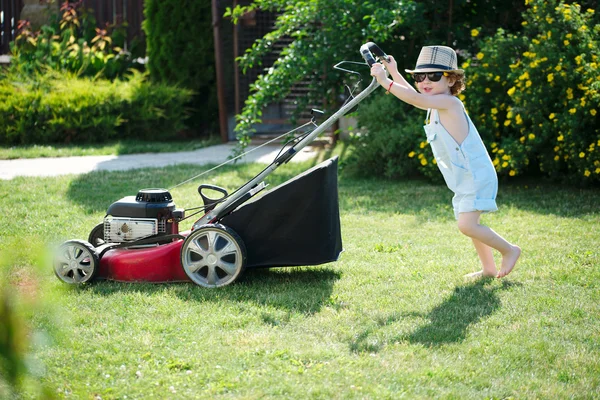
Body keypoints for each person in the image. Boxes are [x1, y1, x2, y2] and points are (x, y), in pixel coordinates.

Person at [370, 45, 521, 278]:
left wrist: (384, 81)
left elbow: (414, 99)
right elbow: (415, 95)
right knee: (470, 224)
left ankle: (509, 250)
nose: (425, 81)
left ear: (451, 80)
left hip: (475, 174)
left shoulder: (451, 103)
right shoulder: (433, 102)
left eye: (434, 76)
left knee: (467, 225)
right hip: (461, 177)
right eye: (420, 76)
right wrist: (394, 72)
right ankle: (488, 269)